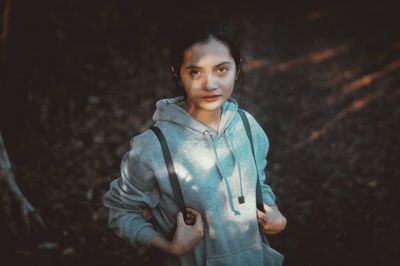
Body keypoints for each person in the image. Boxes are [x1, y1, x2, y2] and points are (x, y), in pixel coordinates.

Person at [103, 21, 287, 266]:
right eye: (195, 71)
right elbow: (121, 211)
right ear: (177, 73)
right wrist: (167, 245)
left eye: (221, 69)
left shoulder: (247, 126)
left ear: (237, 69)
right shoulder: (153, 147)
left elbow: (257, 183)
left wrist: (273, 212)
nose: (210, 84)